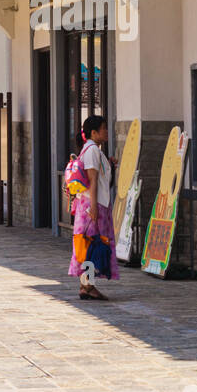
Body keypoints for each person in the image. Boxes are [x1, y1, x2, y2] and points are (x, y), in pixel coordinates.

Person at [68, 115, 120, 300]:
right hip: (93, 205)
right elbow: (93, 181)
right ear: (94, 132)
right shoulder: (91, 151)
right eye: (104, 128)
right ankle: (87, 286)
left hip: (94, 204)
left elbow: (101, 178)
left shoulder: (94, 150)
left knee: (91, 244)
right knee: (91, 244)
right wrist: (94, 207)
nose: (106, 131)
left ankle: (86, 285)